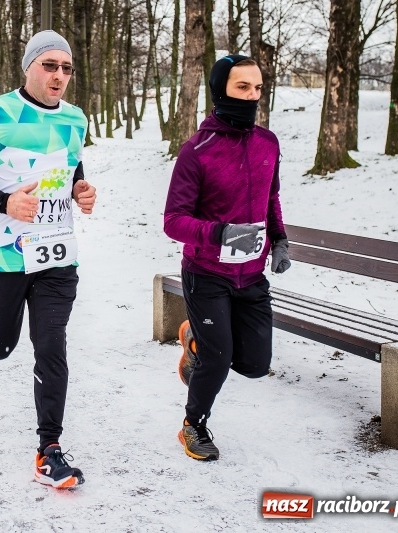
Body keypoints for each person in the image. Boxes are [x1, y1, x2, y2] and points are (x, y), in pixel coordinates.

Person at [0, 30, 96, 489]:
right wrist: (4, 203)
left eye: (66, 68)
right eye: (49, 65)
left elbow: (71, 169)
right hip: (4, 255)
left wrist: (80, 191)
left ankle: (49, 449)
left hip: (55, 254)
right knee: (3, 345)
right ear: (28, 67)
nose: (59, 75)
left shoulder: (75, 119)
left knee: (52, 344)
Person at [163, 55, 292, 461]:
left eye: (257, 88)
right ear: (221, 91)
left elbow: (271, 197)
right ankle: (193, 426)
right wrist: (219, 233)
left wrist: (281, 239)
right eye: (242, 88)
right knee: (218, 359)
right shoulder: (197, 151)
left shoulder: (268, 143)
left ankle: (195, 342)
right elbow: (173, 221)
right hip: (207, 273)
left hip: (251, 276)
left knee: (255, 365)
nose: (253, 96)